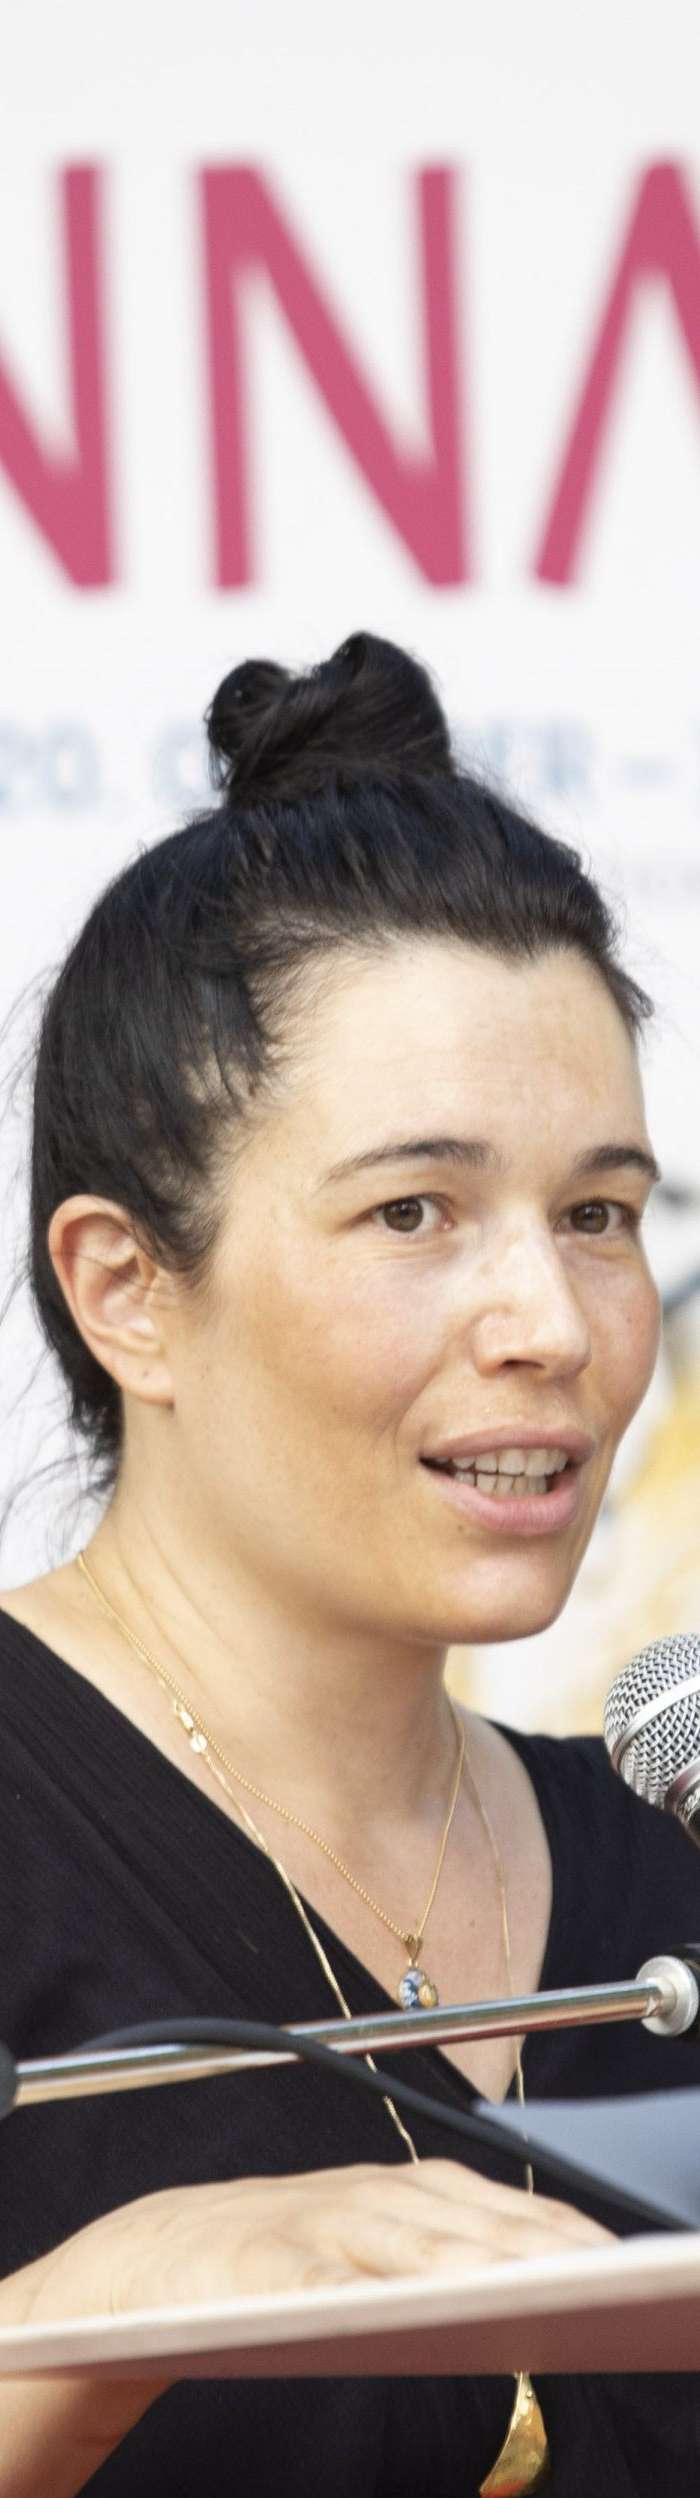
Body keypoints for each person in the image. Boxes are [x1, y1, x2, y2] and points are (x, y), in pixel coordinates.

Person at [0, 631, 698, 2498]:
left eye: (599, 1213)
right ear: (128, 1290)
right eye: (414, 1210)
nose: (552, 1320)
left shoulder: (662, 1866)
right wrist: (88, 2311)